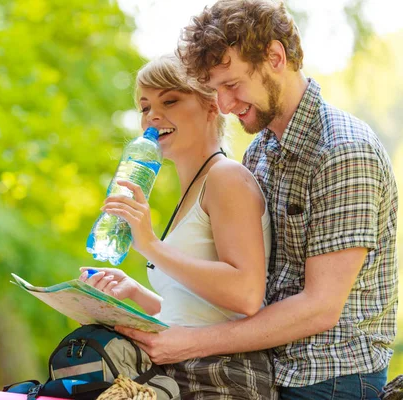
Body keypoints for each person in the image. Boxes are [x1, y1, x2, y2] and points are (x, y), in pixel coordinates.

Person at [114, 1, 398, 399]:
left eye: (231, 85)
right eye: (216, 90)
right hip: (270, 371)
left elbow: (321, 308)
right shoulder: (261, 150)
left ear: (276, 57)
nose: (226, 105)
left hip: (329, 380)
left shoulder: (343, 151)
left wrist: (190, 343)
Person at [81, 55, 277, 399]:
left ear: (211, 105)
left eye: (169, 101)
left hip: (222, 378)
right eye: (145, 107)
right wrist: (135, 293)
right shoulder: (193, 188)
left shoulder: (226, 178)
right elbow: (201, 311)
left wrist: (151, 246)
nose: (152, 116)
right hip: (184, 370)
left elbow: (245, 295)